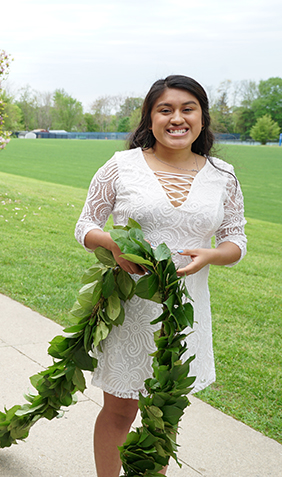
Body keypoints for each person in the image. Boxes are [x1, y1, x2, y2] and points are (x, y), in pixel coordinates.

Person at [74, 75, 247, 477]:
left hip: (186, 312)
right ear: (149, 118)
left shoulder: (223, 174)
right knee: (119, 410)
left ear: (202, 117)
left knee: (164, 413)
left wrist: (212, 255)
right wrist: (113, 246)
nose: (177, 119)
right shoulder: (122, 166)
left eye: (188, 109)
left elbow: (236, 240)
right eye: (165, 110)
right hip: (130, 308)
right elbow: (85, 225)